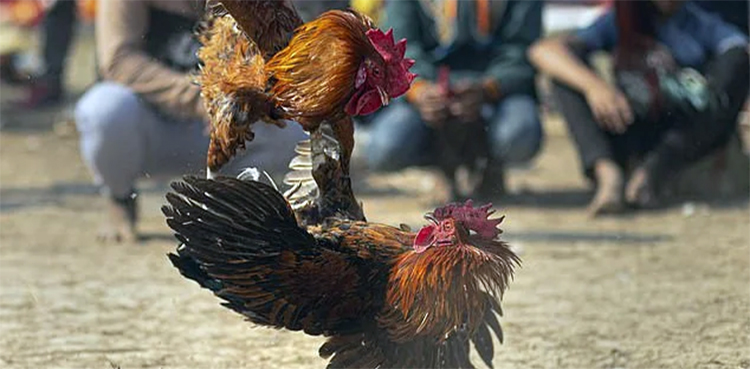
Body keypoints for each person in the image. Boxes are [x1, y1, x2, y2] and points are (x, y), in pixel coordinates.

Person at [74, 0, 305, 242]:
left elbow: (276, 58)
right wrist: (200, 98)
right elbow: (119, 62)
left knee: (295, 129)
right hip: (148, 125)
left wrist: (246, 99)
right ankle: (119, 196)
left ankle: (231, 202)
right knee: (105, 110)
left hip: (219, 131)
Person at [529, 0, 749, 215]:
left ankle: (652, 173)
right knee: (567, 76)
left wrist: (707, 87)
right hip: (627, 120)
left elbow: (738, 51)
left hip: (679, 134)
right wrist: (595, 87)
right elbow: (543, 51)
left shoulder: (701, 24)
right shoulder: (622, 19)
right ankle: (607, 174)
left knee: (733, 74)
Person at [366, 0, 544, 198]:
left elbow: (521, 49)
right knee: (386, 146)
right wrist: (419, 90)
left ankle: (489, 167)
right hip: (428, 86)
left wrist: (489, 88)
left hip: (497, 89)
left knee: (519, 134)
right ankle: (441, 168)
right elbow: (399, 46)